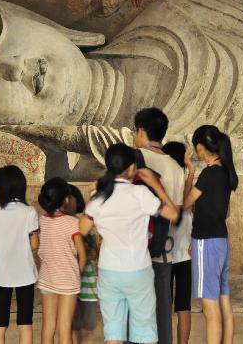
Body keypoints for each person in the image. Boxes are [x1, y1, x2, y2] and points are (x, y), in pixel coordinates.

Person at [79, 143, 180, 344]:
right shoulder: (140, 194)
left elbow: (82, 228)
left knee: (113, 332)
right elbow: (173, 214)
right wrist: (156, 185)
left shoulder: (99, 197)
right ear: (132, 168)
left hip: (109, 271)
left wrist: (91, 193)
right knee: (144, 331)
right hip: (138, 270)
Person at [133, 107, 185, 344]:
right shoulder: (175, 166)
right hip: (166, 251)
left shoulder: (136, 160)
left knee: (135, 320)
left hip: (138, 253)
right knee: (163, 318)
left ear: (141, 131)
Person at [183, 125, 238, 344]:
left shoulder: (208, 173)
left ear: (199, 147)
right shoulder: (225, 172)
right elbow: (226, 212)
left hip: (206, 242)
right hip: (221, 242)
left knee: (210, 306)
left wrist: (190, 173)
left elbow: (186, 203)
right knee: (224, 301)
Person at [0, 165, 39, 344]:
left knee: (0, 322)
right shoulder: (29, 212)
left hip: (2, 276)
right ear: (22, 186)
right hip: (26, 275)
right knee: (25, 322)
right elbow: (35, 245)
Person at [37, 178, 87, 344]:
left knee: (48, 326)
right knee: (64, 326)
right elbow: (82, 254)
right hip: (67, 281)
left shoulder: (40, 221)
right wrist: (77, 274)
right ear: (66, 199)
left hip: (46, 278)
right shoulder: (73, 223)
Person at [162, 141, 193, 344]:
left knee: (164, 307)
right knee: (183, 307)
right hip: (185, 254)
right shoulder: (185, 182)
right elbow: (187, 202)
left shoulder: (161, 182)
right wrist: (191, 170)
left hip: (164, 255)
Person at [61, 185, 99, 344]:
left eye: (70, 197)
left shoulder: (83, 222)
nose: (66, 201)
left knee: (89, 324)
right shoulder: (63, 224)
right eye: (64, 198)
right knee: (73, 323)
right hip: (70, 284)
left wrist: (93, 252)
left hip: (88, 283)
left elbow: (94, 249)